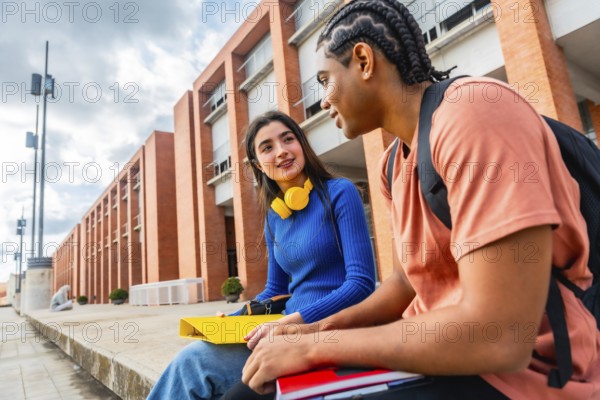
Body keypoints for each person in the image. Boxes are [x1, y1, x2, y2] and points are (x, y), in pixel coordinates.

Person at [232, 1, 600, 399]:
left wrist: (315, 346)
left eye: (325, 80)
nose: (323, 101)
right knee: (250, 392)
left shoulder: (473, 113)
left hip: (524, 376)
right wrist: (316, 329)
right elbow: (404, 282)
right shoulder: (393, 164)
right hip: (431, 354)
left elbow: (500, 337)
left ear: (363, 60)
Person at [147, 110, 376, 399]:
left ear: (301, 144)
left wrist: (293, 321)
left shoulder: (340, 192)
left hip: (330, 329)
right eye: (267, 147)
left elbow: (361, 284)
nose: (281, 152)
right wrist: (232, 319)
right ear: (258, 164)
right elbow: (275, 290)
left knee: (197, 367)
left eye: (288, 140)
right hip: (283, 329)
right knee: (191, 358)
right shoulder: (275, 216)